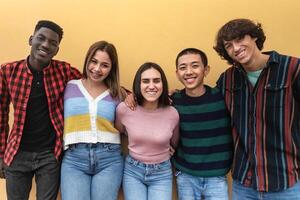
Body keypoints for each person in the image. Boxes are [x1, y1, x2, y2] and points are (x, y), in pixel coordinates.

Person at [214, 18, 300, 200]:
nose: (235, 48)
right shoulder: (227, 79)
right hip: (244, 183)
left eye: (239, 40)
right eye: (228, 46)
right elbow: (204, 102)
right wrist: (169, 96)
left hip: (286, 181)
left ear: (254, 37)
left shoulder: (292, 69)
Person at [0, 20, 81, 200]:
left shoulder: (64, 71)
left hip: (49, 155)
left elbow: (92, 85)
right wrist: (1, 154)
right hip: (16, 153)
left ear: (57, 49)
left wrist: (126, 93)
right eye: (41, 38)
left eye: (53, 43)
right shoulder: (8, 71)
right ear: (31, 40)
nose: (46, 45)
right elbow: (1, 115)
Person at [61, 41, 125, 200]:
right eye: (94, 62)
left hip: (109, 159)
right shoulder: (69, 86)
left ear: (111, 69)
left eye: (104, 65)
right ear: (87, 60)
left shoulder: (117, 93)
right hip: (74, 159)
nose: (97, 69)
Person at [172, 48, 232, 200]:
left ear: (206, 70)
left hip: (216, 177)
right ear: (177, 73)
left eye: (195, 65)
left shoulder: (222, 98)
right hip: (185, 175)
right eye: (183, 67)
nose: (189, 72)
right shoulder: (173, 101)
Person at [115, 62, 179, 200]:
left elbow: (174, 143)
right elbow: (120, 130)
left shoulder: (172, 113)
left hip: (162, 172)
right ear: (138, 84)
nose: (151, 86)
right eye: (145, 81)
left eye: (156, 81)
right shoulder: (124, 109)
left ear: (163, 84)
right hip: (133, 171)